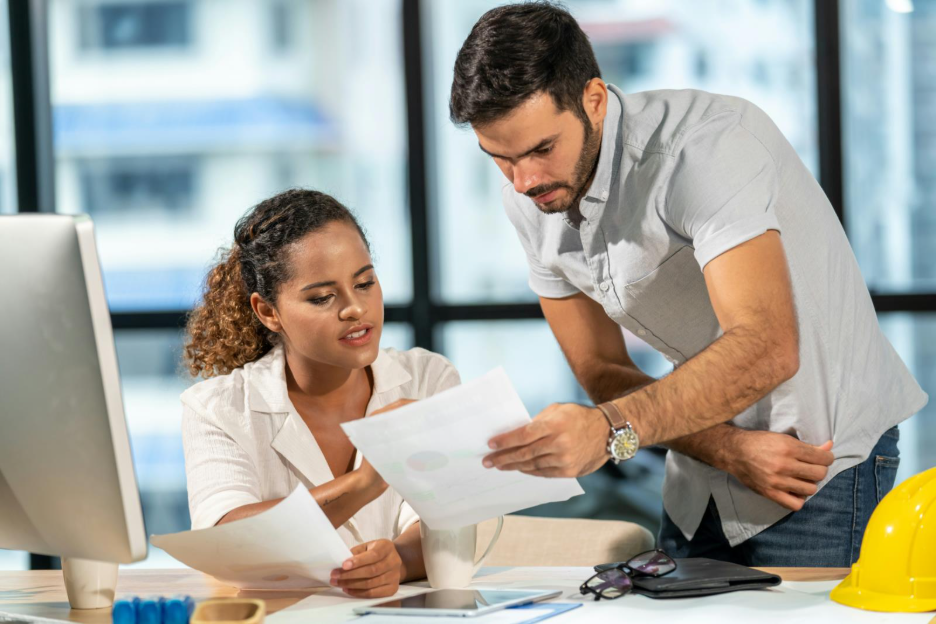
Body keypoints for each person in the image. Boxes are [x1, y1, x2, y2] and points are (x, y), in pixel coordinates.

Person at [449, 2, 927, 566]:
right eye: (500, 159)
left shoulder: (703, 149)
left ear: (594, 101)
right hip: (700, 469)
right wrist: (725, 449)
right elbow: (602, 371)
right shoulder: (531, 197)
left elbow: (767, 347)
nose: (524, 181)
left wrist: (606, 432)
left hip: (813, 463)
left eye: (540, 149)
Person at [181, 189, 460, 597]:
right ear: (268, 312)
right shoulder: (217, 408)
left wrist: (397, 560)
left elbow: (445, 519)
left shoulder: (428, 379)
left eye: (365, 283)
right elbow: (227, 540)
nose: (355, 309)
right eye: (323, 297)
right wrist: (363, 483)